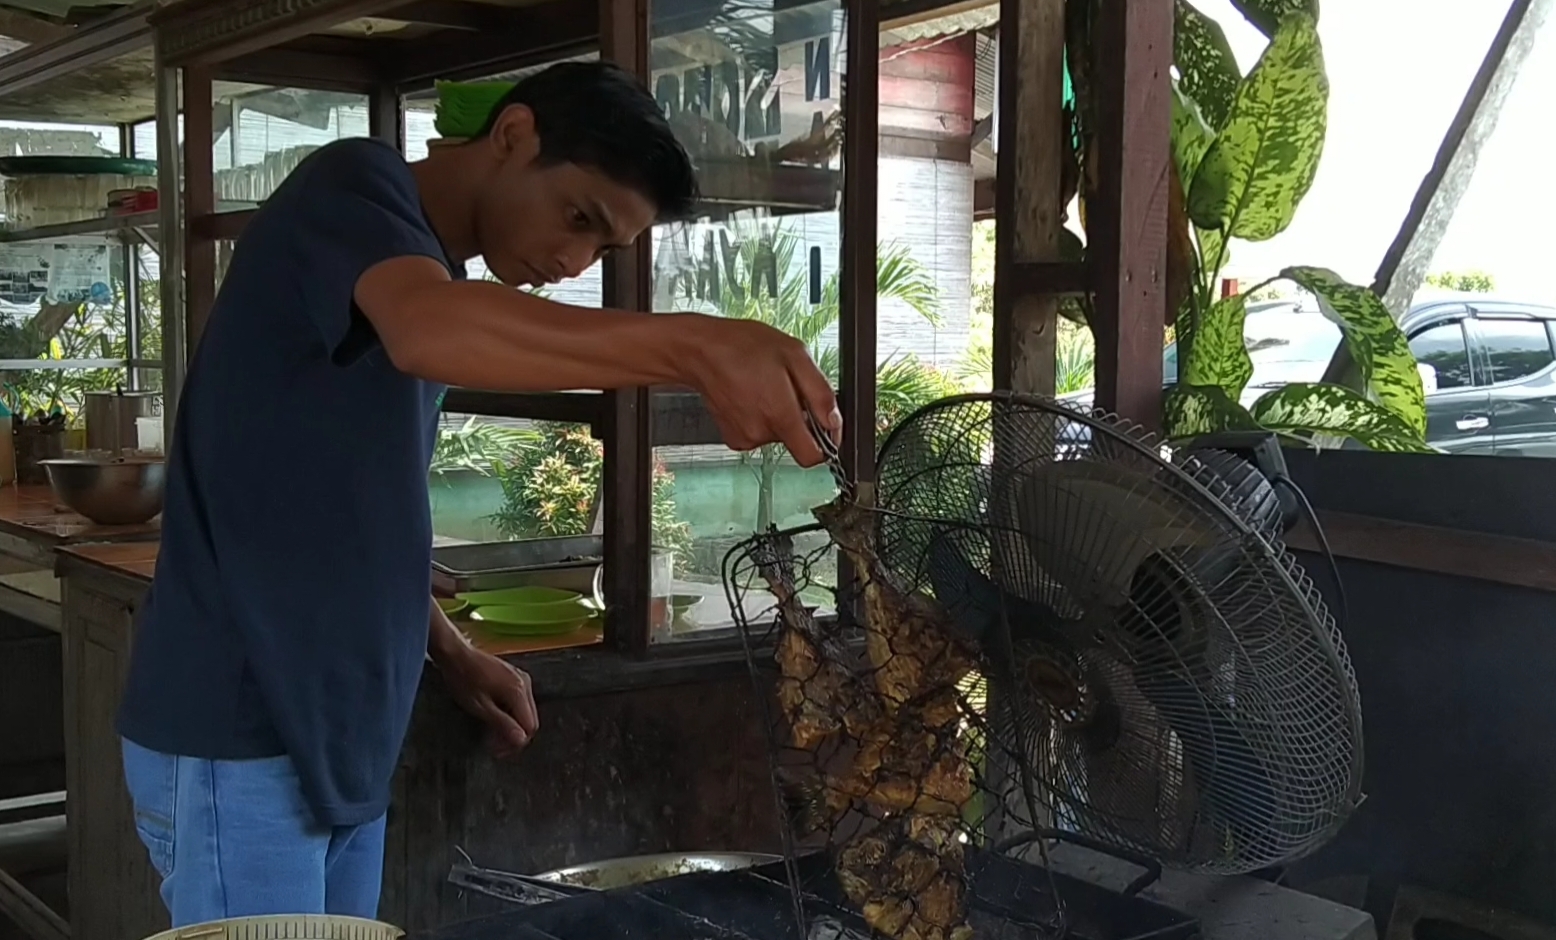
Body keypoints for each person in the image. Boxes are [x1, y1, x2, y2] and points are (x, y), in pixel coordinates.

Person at [115, 60, 839, 926]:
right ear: (511, 136)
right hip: (244, 723)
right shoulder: (354, 189)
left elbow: (344, 504)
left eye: (601, 250)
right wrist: (695, 346)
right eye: (578, 218)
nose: (572, 262)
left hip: (340, 735)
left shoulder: (420, 274)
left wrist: (448, 649)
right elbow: (430, 332)